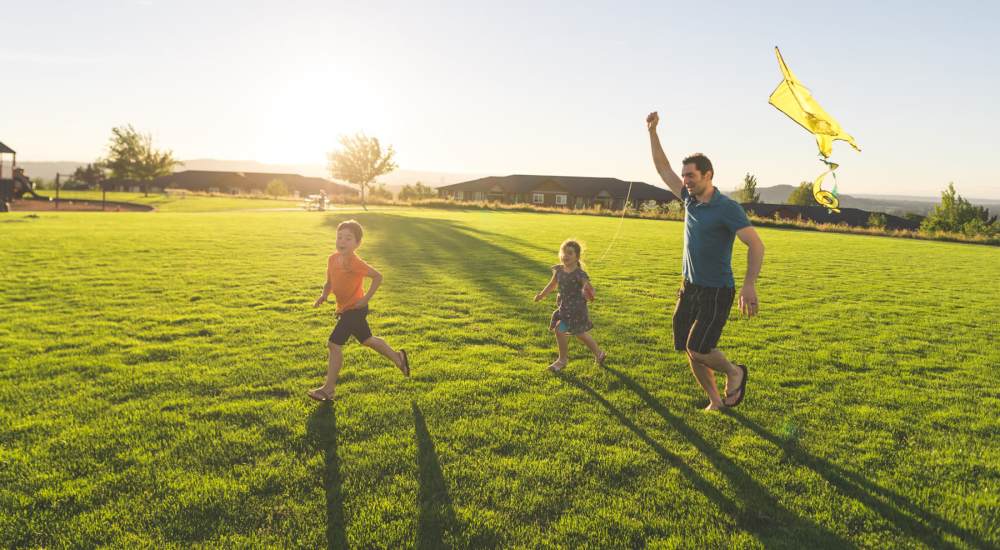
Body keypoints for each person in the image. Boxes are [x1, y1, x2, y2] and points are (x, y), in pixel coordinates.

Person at [646, 111, 765, 410]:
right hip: (690, 287)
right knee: (690, 349)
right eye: (684, 175)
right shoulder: (689, 199)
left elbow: (756, 245)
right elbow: (662, 169)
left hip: (716, 290)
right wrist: (652, 132)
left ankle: (735, 372)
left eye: (691, 175)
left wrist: (749, 285)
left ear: (708, 175)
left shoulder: (727, 208)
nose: (685, 180)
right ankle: (716, 401)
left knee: (698, 347)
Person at [309, 219, 409, 401]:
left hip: (355, 309)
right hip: (345, 309)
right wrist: (324, 295)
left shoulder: (356, 263)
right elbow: (329, 282)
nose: (342, 242)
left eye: (348, 238)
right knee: (368, 340)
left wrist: (365, 299)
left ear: (357, 243)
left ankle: (328, 390)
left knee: (334, 344)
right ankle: (398, 358)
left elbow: (378, 277)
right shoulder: (332, 259)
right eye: (340, 237)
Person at [534, 239, 606, 371]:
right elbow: (552, 285)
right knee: (577, 333)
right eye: (563, 252)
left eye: (569, 253)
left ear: (577, 257)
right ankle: (598, 353)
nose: (565, 255)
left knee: (568, 331)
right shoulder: (559, 270)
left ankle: (563, 360)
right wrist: (541, 295)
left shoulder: (579, 274)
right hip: (565, 307)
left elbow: (589, 288)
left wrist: (589, 292)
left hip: (577, 309)